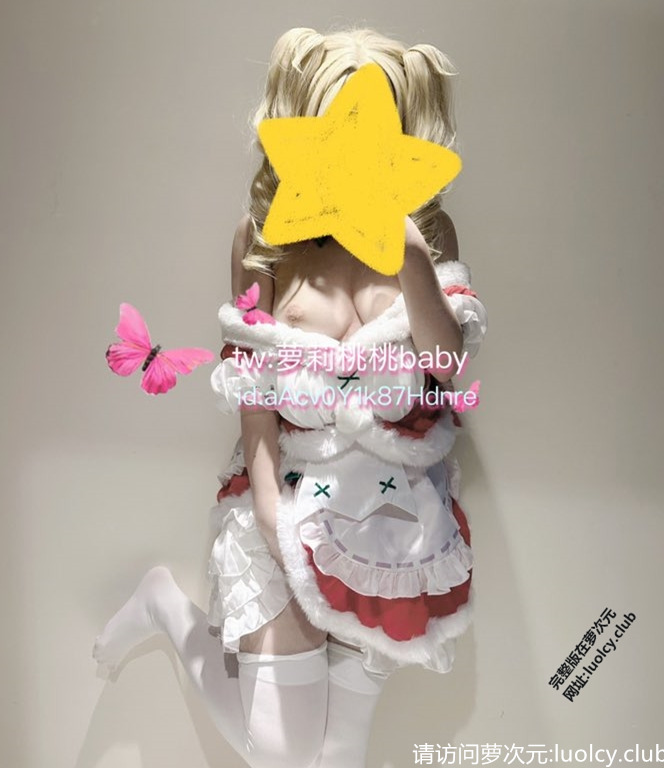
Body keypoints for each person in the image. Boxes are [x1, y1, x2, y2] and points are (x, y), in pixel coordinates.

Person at [93, 26, 488, 768]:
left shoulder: (428, 231)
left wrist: (409, 258)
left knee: (339, 754)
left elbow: (447, 368)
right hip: (290, 493)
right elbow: (250, 386)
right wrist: (272, 511)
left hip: (392, 524)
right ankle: (165, 607)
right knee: (282, 750)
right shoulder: (263, 237)